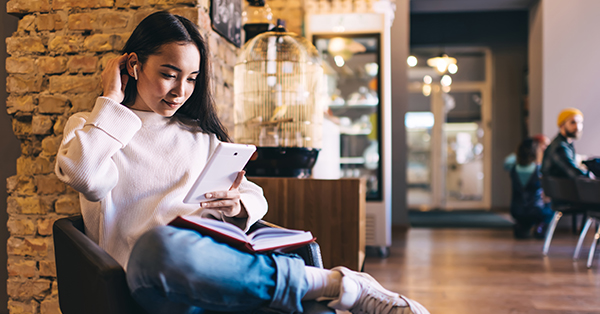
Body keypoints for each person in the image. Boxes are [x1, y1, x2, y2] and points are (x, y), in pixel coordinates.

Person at [54, 11, 429, 314]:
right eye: (169, 74)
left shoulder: (200, 137)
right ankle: (333, 283)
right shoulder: (97, 130)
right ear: (133, 66)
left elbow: (254, 196)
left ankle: (336, 291)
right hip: (152, 281)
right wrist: (111, 99)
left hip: (220, 276)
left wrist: (238, 206)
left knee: (316, 312)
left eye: (191, 79)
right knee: (159, 247)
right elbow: (83, 175)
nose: (180, 91)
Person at [505, 138, 553, 239]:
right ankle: (540, 227)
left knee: (524, 213)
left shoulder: (513, 168)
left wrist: (521, 153)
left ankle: (522, 226)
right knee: (551, 205)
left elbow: (507, 161)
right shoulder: (539, 169)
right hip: (536, 211)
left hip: (516, 210)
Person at [541, 108, 591, 178]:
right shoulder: (560, 147)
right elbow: (575, 173)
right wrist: (591, 175)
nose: (577, 127)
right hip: (561, 188)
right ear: (562, 125)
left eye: (580, 123)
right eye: (573, 122)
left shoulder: (566, 144)